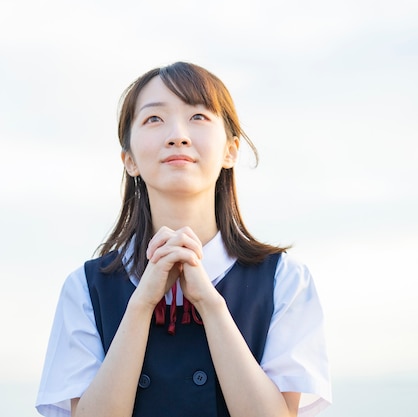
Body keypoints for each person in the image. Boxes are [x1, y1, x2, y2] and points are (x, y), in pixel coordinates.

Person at [35, 62, 331, 417]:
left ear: (230, 151)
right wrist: (142, 303)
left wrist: (211, 304)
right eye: (154, 119)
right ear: (129, 160)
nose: (178, 135)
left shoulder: (285, 281)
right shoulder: (86, 287)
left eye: (198, 117)